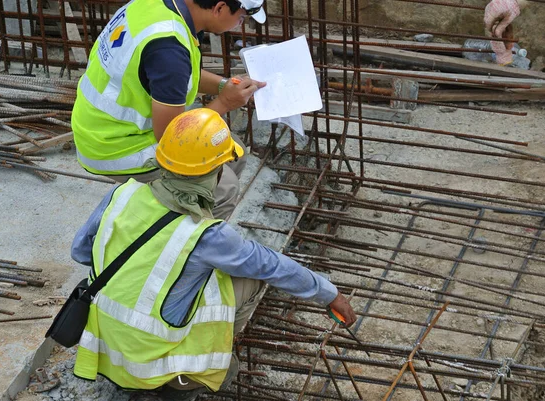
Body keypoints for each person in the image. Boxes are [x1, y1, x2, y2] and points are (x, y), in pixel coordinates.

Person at [70, 108, 357, 401]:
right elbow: (271, 266)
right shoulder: (208, 236)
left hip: (103, 344)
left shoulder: (123, 194)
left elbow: (80, 251)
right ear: (216, 172)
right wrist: (329, 293)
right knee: (252, 280)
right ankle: (184, 380)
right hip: (148, 362)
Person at [71, 0, 267, 220]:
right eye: (241, 18)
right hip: (114, 147)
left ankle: (174, 211)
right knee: (224, 189)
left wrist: (224, 85)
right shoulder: (169, 47)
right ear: (219, 8)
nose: (241, 25)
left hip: (103, 128)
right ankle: (180, 245)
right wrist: (225, 102)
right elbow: (172, 139)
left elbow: (178, 75)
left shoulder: (164, 10)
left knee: (233, 151)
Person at [484, 0, 528, 65]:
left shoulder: (509, 3)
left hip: (491, 8)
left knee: (496, 31)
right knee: (498, 33)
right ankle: (503, 59)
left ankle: (503, 57)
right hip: (496, 13)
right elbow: (498, 31)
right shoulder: (513, 11)